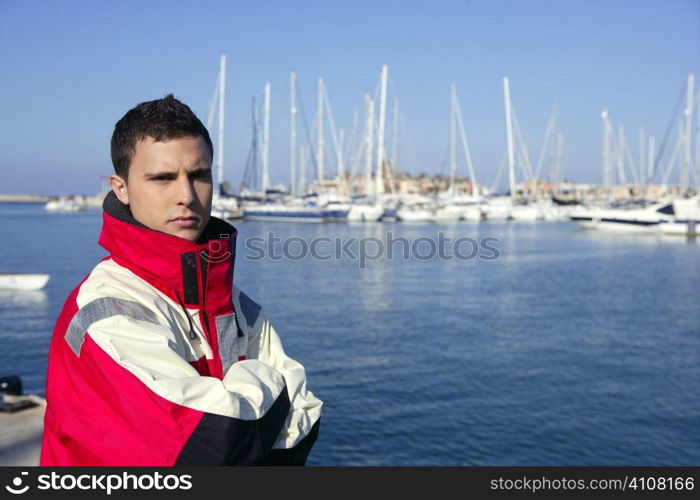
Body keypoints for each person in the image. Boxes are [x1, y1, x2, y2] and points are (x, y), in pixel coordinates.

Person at [40, 95, 322, 466]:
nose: (186, 196)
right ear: (120, 188)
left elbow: (307, 418)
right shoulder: (103, 312)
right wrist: (266, 389)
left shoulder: (237, 304)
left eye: (199, 175)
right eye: (163, 178)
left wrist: (241, 403)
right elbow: (213, 443)